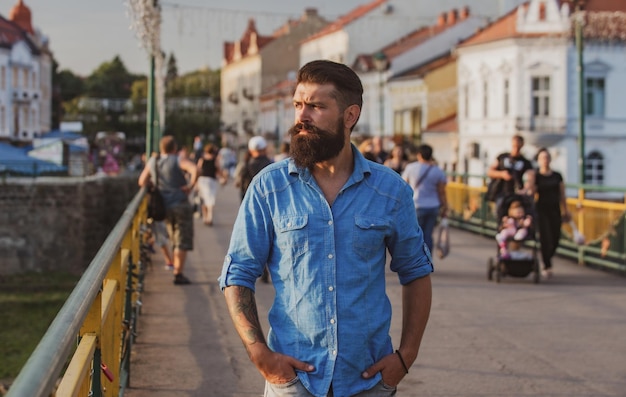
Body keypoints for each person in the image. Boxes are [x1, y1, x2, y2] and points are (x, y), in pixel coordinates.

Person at [219, 60, 433, 397]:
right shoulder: (269, 187)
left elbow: (416, 272)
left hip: (368, 379)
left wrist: (405, 357)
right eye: (298, 105)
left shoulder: (390, 191)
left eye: (316, 106)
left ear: (350, 116)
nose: (301, 116)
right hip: (293, 379)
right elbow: (238, 272)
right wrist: (258, 352)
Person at [138, 136, 198, 285]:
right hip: (180, 204)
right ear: (174, 148)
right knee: (181, 240)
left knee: (171, 237)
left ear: (161, 148)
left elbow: (142, 181)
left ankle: (174, 265)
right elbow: (195, 169)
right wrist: (190, 186)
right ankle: (178, 273)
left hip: (163, 206)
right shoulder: (177, 160)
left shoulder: (153, 161)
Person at [402, 144, 448, 253]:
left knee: (416, 235)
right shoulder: (437, 171)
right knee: (428, 234)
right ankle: (427, 260)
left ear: (419, 155)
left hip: (417, 205)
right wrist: (445, 206)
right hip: (433, 206)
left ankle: (417, 261)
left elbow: (404, 186)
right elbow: (441, 191)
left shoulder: (411, 168)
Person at [535, 147, 570, 278]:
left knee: (555, 237)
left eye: (547, 157)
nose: (545, 160)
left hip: (555, 208)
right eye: (542, 158)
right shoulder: (536, 176)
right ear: (539, 160)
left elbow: (562, 194)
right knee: (545, 236)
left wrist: (566, 210)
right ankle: (547, 264)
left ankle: (548, 256)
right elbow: (532, 191)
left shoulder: (557, 175)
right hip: (541, 209)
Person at [486, 135, 535, 211]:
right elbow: (490, 172)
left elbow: (531, 178)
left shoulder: (525, 162)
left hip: (515, 194)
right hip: (500, 193)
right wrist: (502, 174)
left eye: (518, 146)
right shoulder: (502, 157)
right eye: (514, 146)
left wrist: (524, 190)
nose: (516, 149)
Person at [234, 135, 273, 201]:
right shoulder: (270, 165)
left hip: (248, 198)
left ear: (250, 150)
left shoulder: (245, 164)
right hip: (266, 198)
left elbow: (238, 183)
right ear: (265, 149)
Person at [196, 143, 221, 226]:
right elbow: (218, 170)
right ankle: (210, 217)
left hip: (202, 180)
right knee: (210, 199)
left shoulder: (202, 159)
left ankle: (204, 217)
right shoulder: (215, 160)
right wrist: (223, 177)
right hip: (211, 180)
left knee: (203, 199)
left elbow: (198, 170)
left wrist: (196, 182)